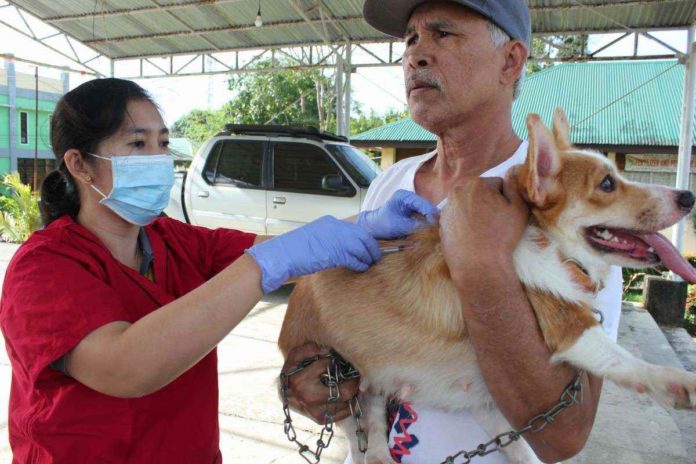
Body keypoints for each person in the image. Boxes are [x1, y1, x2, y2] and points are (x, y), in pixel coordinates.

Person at [0, 78, 438, 463]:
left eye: (163, 142)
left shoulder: (172, 239)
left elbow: (284, 248)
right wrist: (264, 266)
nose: (158, 158)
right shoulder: (42, 269)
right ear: (79, 164)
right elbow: (125, 368)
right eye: (137, 144)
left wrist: (364, 226)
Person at [281, 1, 624, 463]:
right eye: (410, 40)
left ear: (511, 60)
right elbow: (351, 344)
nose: (416, 55)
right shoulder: (389, 184)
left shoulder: (566, 201)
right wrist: (315, 381)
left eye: (443, 34)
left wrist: (481, 266)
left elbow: (563, 435)